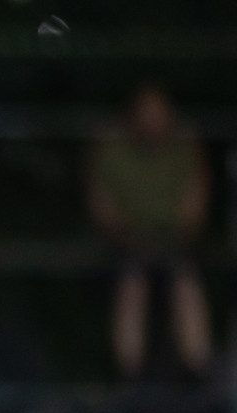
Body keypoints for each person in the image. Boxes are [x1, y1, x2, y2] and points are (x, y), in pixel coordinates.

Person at [87, 83, 211, 378]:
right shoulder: (112, 148)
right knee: (132, 284)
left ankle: (199, 368)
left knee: (185, 282)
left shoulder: (185, 146)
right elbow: (100, 204)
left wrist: (180, 232)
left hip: (173, 242)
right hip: (127, 243)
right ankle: (129, 373)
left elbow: (196, 201)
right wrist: (125, 233)